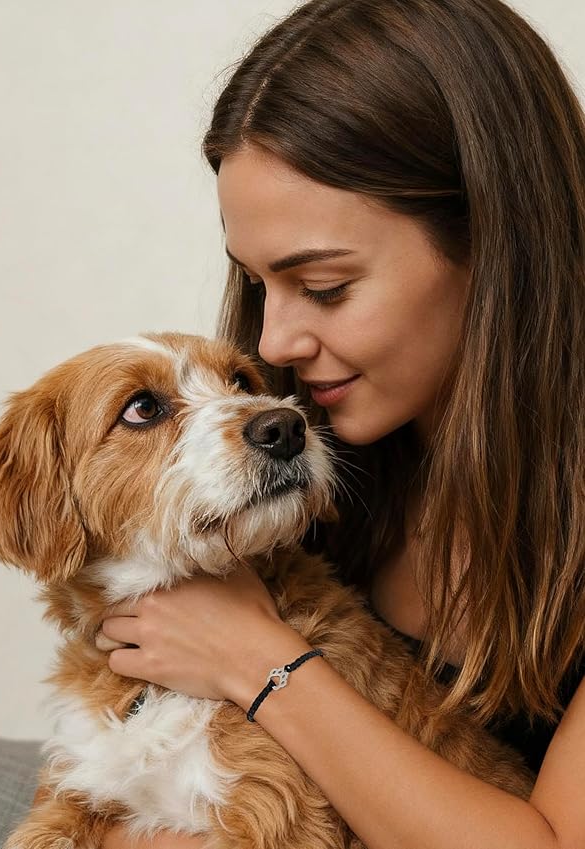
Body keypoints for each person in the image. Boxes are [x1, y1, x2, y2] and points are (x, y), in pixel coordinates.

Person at [98, 0, 585, 846]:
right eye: (256, 284)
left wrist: (257, 658)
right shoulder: (306, 468)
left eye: (323, 287)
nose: (274, 343)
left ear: (496, 240)